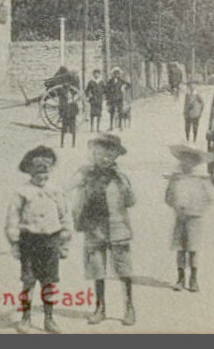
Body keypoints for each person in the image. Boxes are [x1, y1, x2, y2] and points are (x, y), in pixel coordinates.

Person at [70, 134, 136, 326]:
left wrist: (123, 185)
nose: (105, 158)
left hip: (118, 229)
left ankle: (129, 307)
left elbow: (131, 201)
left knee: (123, 269)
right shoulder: (86, 175)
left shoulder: (120, 178)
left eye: (110, 155)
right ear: (94, 154)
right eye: (100, 154)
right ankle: (100, 308)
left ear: (116, 156)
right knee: (97, 269)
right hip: (94, 229)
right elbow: (69, 190)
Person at [5, 146, 71, 334]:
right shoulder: (22, 192)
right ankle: (26, 318)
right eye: (37, 169)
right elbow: (13, 218)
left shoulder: (56, 191)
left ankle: (49, 319)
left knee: (49, 282)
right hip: (29, 241)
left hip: (51, 241)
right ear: (29, 170)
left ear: (51, 169)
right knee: (28, 281)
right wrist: (15, 242)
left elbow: (65, 217)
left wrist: (64, 242)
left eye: (46, 168)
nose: (42, 172)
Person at [165, 145, 213, 292]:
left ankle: (193, 278)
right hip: (180, 218)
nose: (187, 163)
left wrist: (197, 209)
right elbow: (168, 197)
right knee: (180, 248)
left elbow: (208, 198)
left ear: (196, 163)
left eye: (191, 161)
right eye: (184, 160)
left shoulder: (201, 180)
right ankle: (180, 278)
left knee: (193, 249)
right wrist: (176, 206)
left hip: (195, 218)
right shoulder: (176, 179)